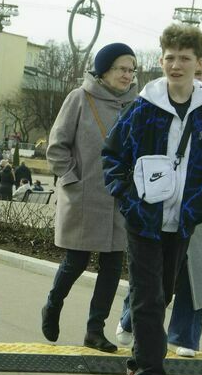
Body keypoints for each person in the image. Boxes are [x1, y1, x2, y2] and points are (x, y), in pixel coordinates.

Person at [102, 25, 202, 375]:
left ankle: (135, 364)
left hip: (183, 221)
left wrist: (200, 202)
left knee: (163, 294)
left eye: (185, 58)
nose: (176, 65)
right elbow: (112, 157)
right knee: (147, 296)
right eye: (170, 58)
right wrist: (129, 199)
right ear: (161, 60)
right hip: (144, 220)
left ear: (198, 62)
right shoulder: (143, 107)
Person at [115, 51, 202, 358]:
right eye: (199, 72)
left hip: (199, 212)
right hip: (159, 207)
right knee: (155, 274)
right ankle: (130, 320)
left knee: (196, 277)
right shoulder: (155, 104)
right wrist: (128, 195)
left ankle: (185, 337)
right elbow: (121, 151)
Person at [41, 43, 139, 353]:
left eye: (132, 69)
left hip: (122, 199)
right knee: (76, 260)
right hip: (85, 196)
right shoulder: (79, 99)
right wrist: (73, 179)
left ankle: (94, 330)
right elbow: (56, 147)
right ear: (105, 69)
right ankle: (53, 304)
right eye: (122, 68)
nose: (128, 75)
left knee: (113, 266)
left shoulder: (138, 105)